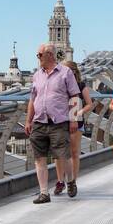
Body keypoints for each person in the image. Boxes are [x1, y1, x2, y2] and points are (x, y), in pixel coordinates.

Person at [24, 43, 81, 204]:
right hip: (39, 122)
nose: (38, 58)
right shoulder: (37, 75)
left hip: (59, 122)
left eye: (39, 55)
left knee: (63, 156)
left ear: (49, 54)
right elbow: (32, 99)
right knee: (39, 158)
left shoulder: (66, 73)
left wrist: (74, 119)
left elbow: (75, 96)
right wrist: (28, 120)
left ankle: (70, 181)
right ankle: (44, 193)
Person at [59, 61, 94, 197]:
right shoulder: (60, 84)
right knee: (60, 153)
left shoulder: (81, 85)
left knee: (74, 152)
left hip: (76, 121)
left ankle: (72, 181)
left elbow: (89, 104)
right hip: (60, 120)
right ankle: (60, 181)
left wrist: (79, 113)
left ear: (74, 71)